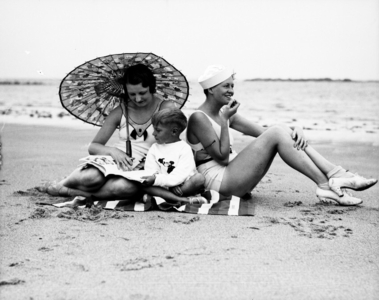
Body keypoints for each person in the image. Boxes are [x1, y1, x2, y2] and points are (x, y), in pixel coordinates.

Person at [186, 65, 377, 206]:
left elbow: (268, 132)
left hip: (235, 177)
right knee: (278, 131)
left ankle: (334, 176)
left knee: (280, 130)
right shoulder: (198, 118)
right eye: (226, 86)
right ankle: (328, 182)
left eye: (232, 86)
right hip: (219, 181)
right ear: (210, 89)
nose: (231, 91)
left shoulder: (227, 115)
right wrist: (226, 122)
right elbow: (222, 158)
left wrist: (295, 129)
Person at [38, 64, 181, 201]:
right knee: (91, 178)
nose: (137, 99)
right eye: (132, 94)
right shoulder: (121, 110)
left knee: (125, 188)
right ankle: (64, 183)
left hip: (145, 168)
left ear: (152, 87)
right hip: (115, 161)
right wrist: (113, 151)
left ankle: (68, 191)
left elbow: (175, 143)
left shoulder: (166, 108)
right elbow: (93, 147)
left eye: (142, 93)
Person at [140, 108, 206, 205]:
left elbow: (181, 174)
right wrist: (167, 185)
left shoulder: (184, 148)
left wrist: (173, 184)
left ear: (174, 132)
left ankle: (165, 198)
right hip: (162, 185)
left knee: (199, 178)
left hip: (181, 186)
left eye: (158, 130)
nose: (153, 134)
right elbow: (151, 171)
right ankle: (180, 199)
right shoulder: (154, 148)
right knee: (143, 183)